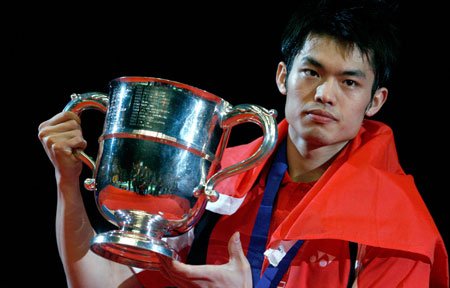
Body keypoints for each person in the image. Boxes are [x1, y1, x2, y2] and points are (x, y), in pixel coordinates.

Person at [38, 0, 448, 287]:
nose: (325, 94)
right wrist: (67, 183)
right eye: (312, 72)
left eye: (349, 82)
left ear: (375, 101)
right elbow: (101, 283)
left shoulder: (397, 228)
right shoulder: (214, 181)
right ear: (283, 77)